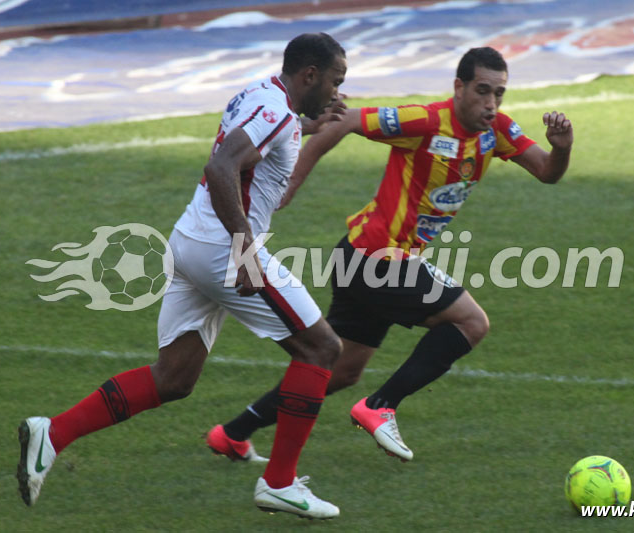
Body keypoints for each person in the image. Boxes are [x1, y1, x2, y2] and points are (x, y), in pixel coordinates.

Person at [16, 33, 348, 520]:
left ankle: (53, 432)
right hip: (220, 248)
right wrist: (245, 251)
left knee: (173, 379)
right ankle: (278, 483)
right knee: (322, 349)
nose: (339, 91)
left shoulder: (268, 100)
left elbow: (261, 175)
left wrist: (311, 125)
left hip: (191, 240)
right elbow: (221, 167)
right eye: (336, 81)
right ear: (310, 75)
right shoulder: (275, 112)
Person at [205, 46, 573, 463]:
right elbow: (343, 122)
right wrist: (291, 183)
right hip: (374, 259)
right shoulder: (426, 121)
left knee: (340, 370)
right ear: (459, 87)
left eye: (499, 94)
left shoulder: (497, 131)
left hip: (361, 258)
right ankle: (381, 405)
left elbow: (547, 172)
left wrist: (561, 148)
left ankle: (233, 433)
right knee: (471, 322)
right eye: (482, 91)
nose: (490, 103)